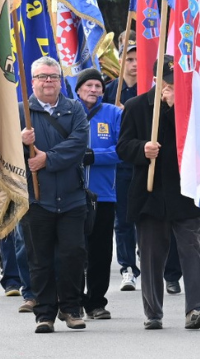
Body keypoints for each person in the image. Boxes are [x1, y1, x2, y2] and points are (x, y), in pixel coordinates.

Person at [117, 56, 200, 330]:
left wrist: (175, 111)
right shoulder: (137, 106)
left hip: (184, 189)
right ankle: (153, 312)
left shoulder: (191, 107)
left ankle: (197, 307)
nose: (171, 87)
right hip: (151, 192)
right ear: (156, 81)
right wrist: (142, 149)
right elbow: (123, 146)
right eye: (167, 82)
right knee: (151, 255)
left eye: (175, 82)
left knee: (191, 248)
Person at [18, 57, 91, 332]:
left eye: (53, 76)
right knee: (40, 258)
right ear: (33, 80)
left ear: (60, 80)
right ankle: (45, 313)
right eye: (42, 76)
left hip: (72, 197)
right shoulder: (20, 112)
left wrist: (47, 158)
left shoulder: (75, 109)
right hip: (37, 199)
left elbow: (78, 143)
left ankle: (71, 308)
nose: (48, 81)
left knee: (73, 254)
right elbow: (0, 146)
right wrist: (20, 141)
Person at [74, 68, 123, 321]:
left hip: (104, 195)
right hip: (71, 195)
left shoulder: (114, 114)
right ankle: (73, 300)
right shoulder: (69, 111)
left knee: (100, 251)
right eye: (89, 85)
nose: (94, 90)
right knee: (74, 250)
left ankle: (96, 302)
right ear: (78, 88)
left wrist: (95, 156)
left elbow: (123, 149)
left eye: (98, 86)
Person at [102, 43, 143, 292]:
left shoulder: (150, 88)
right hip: (119, 164)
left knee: (148, 219)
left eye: (138, 58)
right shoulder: (110, 91)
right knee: (124, 219)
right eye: (129, 59)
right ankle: (128, 267)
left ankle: (158, 265)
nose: (134, 64)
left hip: (145, 161)